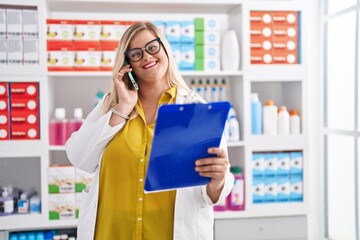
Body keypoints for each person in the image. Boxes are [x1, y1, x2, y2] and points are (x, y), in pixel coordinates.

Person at [65, 21, 234, 240]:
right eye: (136, 53)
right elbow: (79, 157)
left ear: (164, 49)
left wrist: (218, 180)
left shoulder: (196, 110)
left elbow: (213, 192)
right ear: (128, 64)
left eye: (152, 47)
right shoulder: (111, 105)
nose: (146, 57)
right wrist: (123, 108)